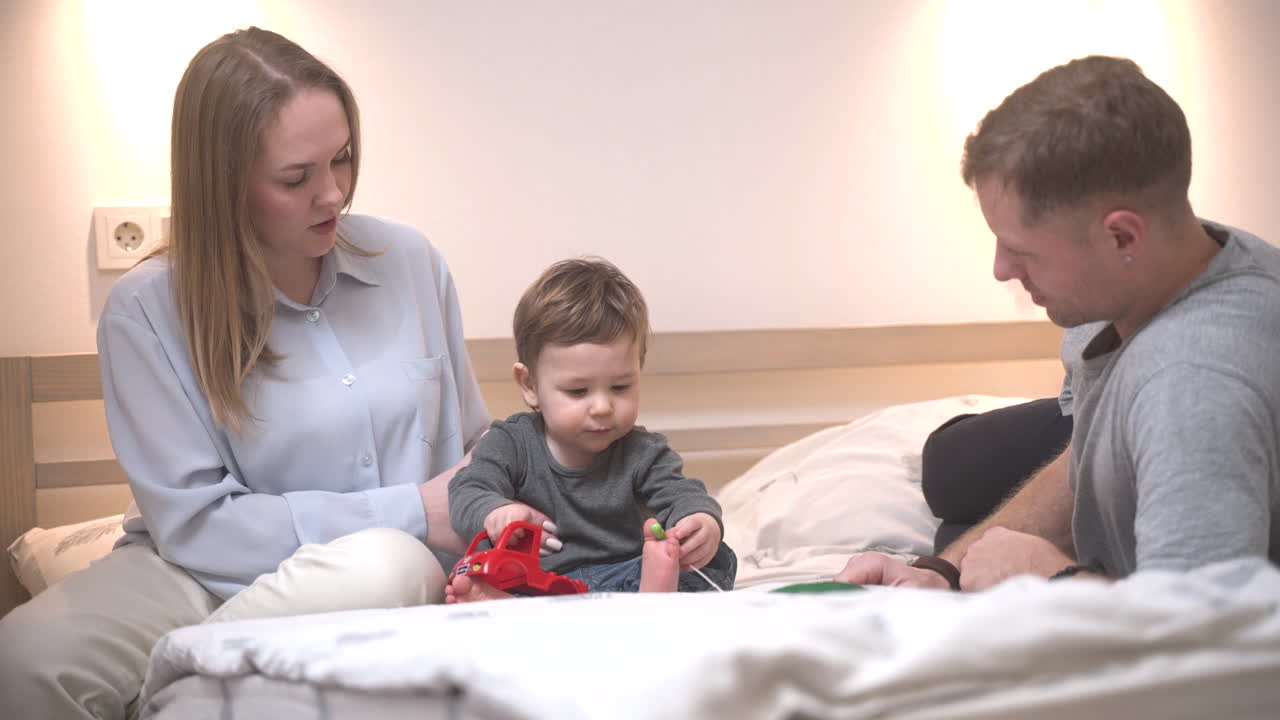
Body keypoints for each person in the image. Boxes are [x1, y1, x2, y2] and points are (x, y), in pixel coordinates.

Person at [0, 27, 544, 719]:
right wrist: (410, 508)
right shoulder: (145, 311)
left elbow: (475, 445)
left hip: (383, 575)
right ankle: (205, 666)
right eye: (297, 177)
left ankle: (174, 682)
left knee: (388, 562)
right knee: (21, 661)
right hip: (192, 576)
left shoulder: (410, 261)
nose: (334, 194)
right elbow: (196, 527)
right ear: (224, 183)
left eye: (343, 159)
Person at [837, 55, 1280, 592]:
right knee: (956, 521)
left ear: (1122, 237)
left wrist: (1052, 577)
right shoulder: (1170, 269)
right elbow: (1090, 460)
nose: (1001, 269)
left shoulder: (1191, 387)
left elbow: (1202, 642)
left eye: (1022, 250)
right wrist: (943, 572)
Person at [447, 258, 736, 602]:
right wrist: (495, 512)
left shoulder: (643, 452)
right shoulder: (510, 443)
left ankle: (654, 592)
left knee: (719, 559)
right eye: (578, 392)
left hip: (626, 573)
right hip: (541, 579)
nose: (602, 407)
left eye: (620, 387)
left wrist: (699, 522)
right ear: (529, 385)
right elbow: (466, 490)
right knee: (484, 568)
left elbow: (681, 493)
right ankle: (510, 602)